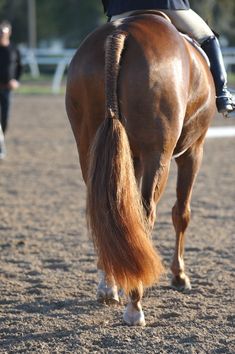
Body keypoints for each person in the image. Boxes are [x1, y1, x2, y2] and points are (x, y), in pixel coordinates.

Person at [101, 0, 235, 118]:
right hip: (167, 5)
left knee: (102, 46)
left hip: (121, 8)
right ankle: (222, 95)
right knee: (207, 37)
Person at [0, 20, 22, 158]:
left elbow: (20, 67)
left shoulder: (14, 49)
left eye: (3, 31)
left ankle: (1, 142)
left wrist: (16, 81)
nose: (1, 34)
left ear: (9, 33)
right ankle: (1, 147)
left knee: (5, 118)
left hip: (7, 89)